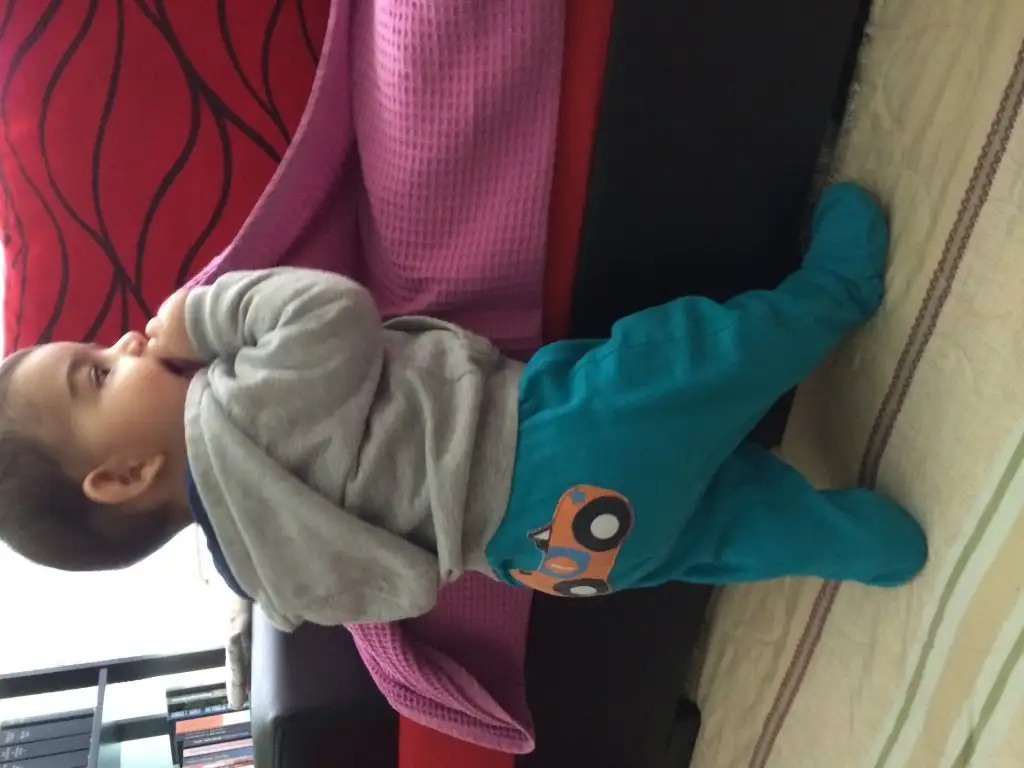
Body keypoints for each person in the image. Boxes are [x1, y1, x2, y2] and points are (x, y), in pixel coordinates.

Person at [0, 183, 927, 629]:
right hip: (553, 444)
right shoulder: (233, 412)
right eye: (97, 375)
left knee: (717, 528)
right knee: (688, 358)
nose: (128, 342)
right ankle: (831, 295)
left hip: (551, 560)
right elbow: (330, 316)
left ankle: (851, 542)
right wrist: (202, 315)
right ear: (124, 474)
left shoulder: (261, 577)